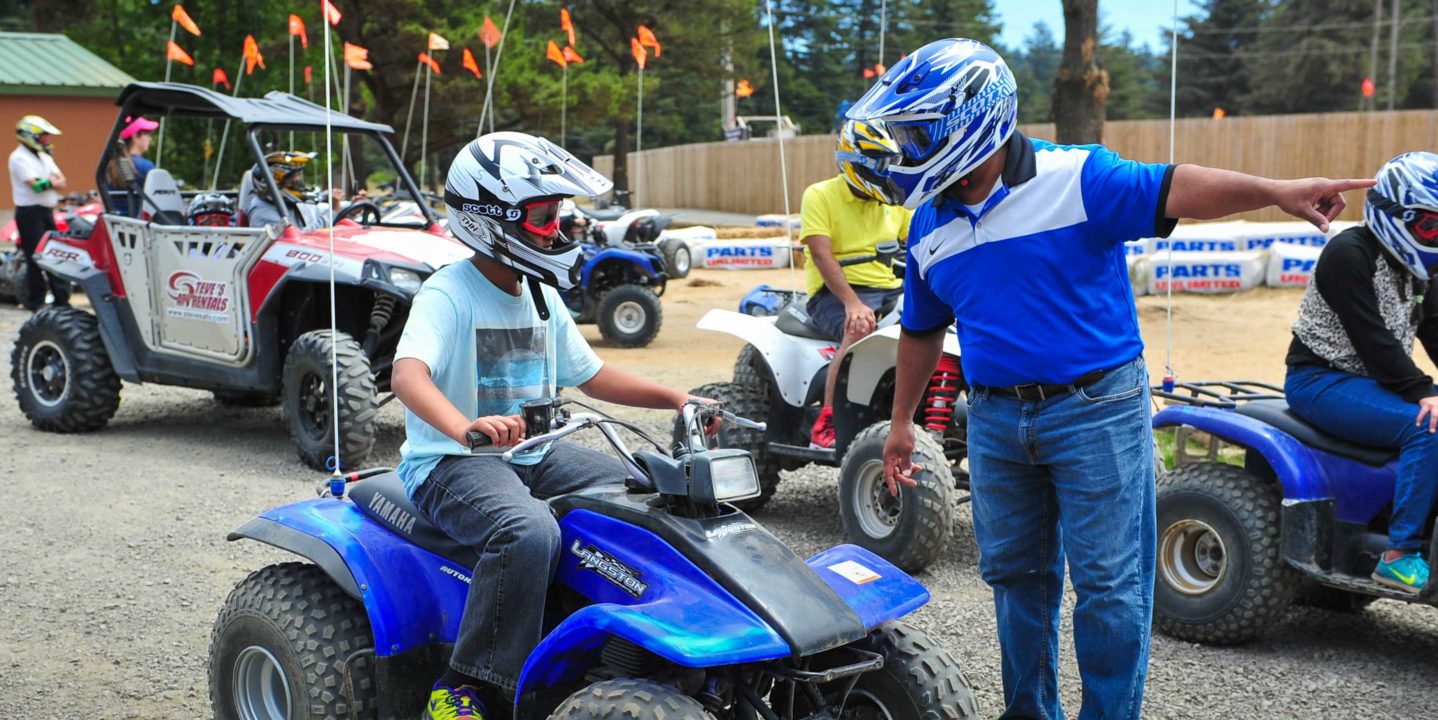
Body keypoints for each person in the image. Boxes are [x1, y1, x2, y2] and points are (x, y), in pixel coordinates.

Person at [859, 39, 1374, 720]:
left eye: (917, 131)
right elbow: (922, 329)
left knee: (1109, 588)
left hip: (1096, 410)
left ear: (971, 120)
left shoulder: (1076, 178)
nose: (905, 146)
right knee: (1016, 580)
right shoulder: (929, 220)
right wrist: (901, 425)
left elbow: (1173, 185)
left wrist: (1274, 192)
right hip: (996, 421)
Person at [391, 131, 716, 719]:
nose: (557, 228)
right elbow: (408, 376)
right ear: (493, 218)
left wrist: (675, 397)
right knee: (529, 532)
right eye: (543, 216)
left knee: (639, 498)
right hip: (451, 462)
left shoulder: (538, 291)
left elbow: (590, 376)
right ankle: (467, 685)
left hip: (533, 453)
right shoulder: (448, 293)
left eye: (558, 214)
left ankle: (619, 643)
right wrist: (466, 426)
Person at [1285, 151, 1438, 594]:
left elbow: (1434, 329)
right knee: (1427, 426)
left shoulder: (1420, 268)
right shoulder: (1348, 253)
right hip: (1320, 380)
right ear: (1397, 215)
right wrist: (1423, 390)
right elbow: (1374, 341)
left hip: (1373, 381)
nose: (1436, 236)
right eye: (1430, 226)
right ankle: (1399, 555)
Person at [802, 119, 911, 448]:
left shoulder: (894, 200)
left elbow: (916, 244)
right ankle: (831, 417)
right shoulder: (820, 195)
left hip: (891, 288)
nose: (885, 170)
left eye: (888, 161)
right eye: (878, 162)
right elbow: (822, 256)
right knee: (861, 329)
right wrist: (852, 303)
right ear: (853, 162)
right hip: (834, 293)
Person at [8, 115, 70, 311]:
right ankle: (36, 302)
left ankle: (61, 300)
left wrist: (50, 183)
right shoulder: (18, 158)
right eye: (43, 136)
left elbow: (62, 181)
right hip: (29, 213)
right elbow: (37, 186)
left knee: (53, 254)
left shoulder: (44, 156)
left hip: (46, 211)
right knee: (36, 257)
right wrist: (51, 182)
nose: (46, 140)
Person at [244, 150, 335, 230]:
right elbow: (294, 242)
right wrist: (332, 213)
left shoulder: (287, 205)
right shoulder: (262, 212)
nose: (298, 181)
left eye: (299, 175)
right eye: (293, 177)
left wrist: (340, 209)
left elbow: (319, 211)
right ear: (275, 182)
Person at [105, 115, 158, 216]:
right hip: (139, 227)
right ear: (135, 137)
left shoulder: (109, 165)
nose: (150, 139)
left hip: (115, 224)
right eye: (147, 135)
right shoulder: (146, 166)